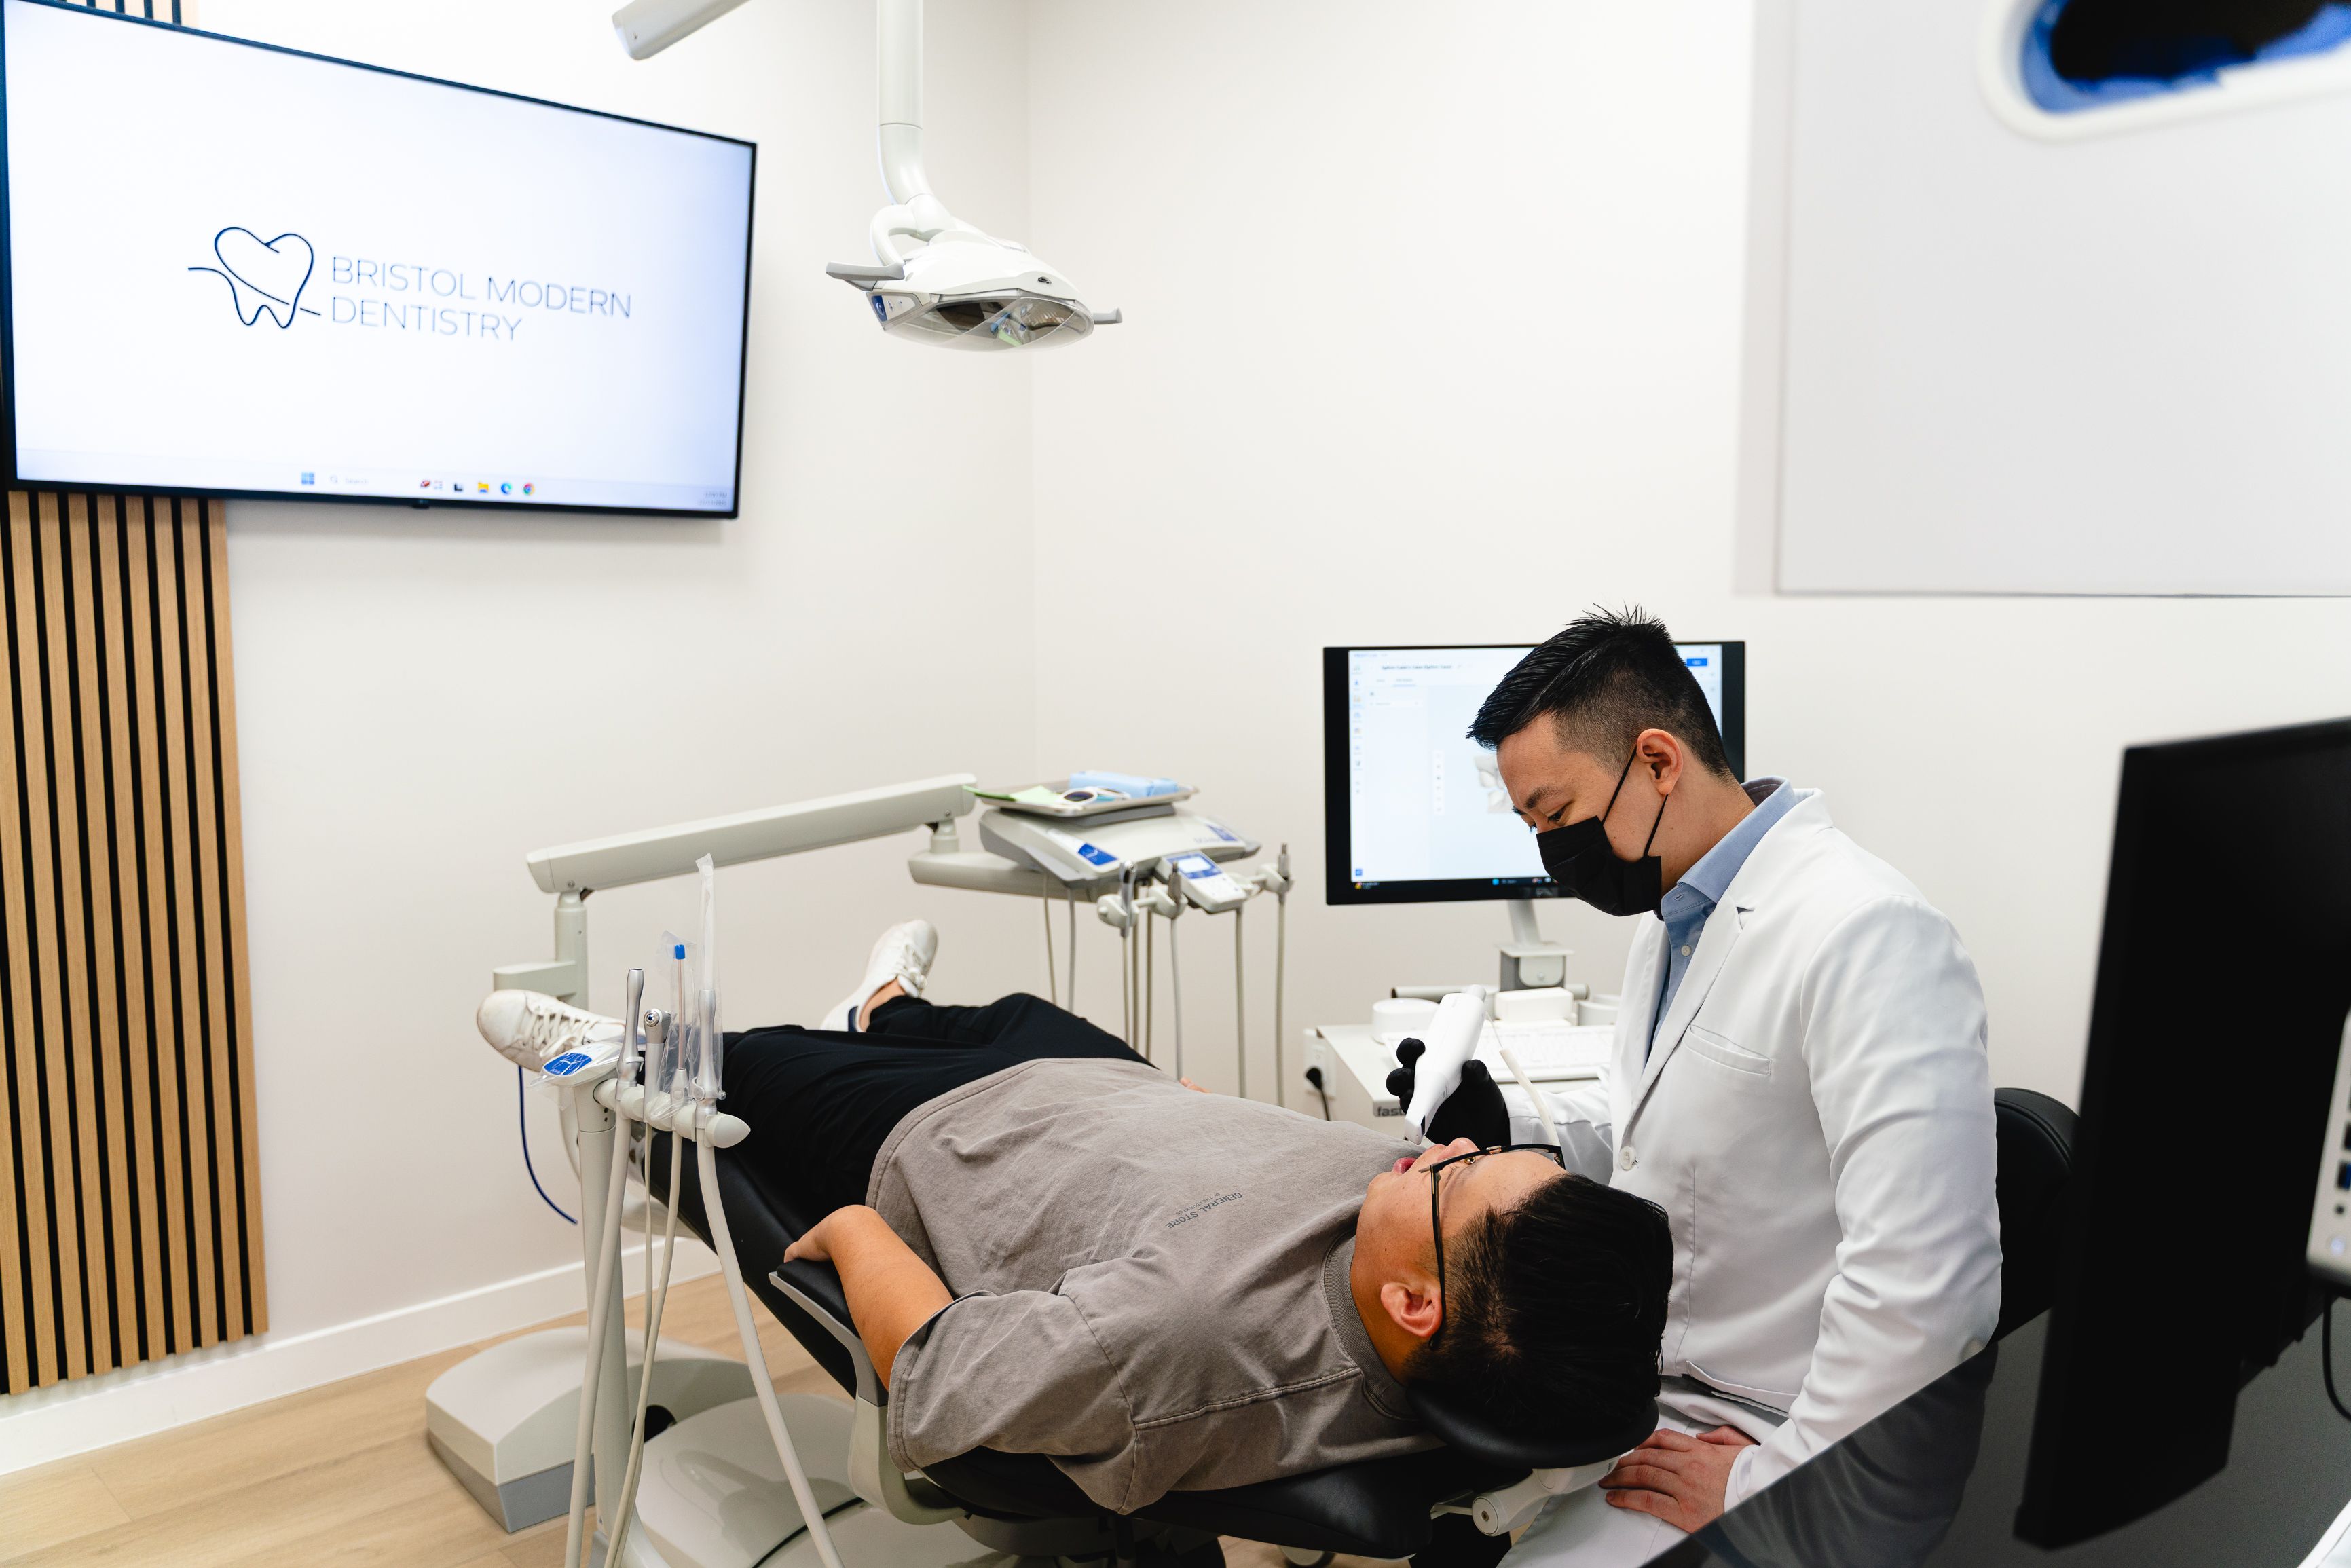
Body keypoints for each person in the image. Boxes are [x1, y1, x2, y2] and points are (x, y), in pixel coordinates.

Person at [477, 923, 1673, 1515]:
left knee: (750, 1057)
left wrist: (848, 1225)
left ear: (1415, 1305)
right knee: (1004, 1007)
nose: (1450, 1152)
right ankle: (882, 1004)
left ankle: (612, 1046)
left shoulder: (1188, 1344)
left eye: (1460, 1177)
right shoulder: (1429, 1271)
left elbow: (942, 1379)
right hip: (1109, 1095)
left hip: (945, 1136)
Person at [1447, 608, 2000, 1561]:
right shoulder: (1675, 915)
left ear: (1659, 760)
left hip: (1779, 1440)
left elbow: (1927, 1289)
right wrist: (1523, 1133)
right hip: (1665, 1407)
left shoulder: (1866, 930)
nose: (1550, 849)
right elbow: (1671, 1128)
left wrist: (1771, 1484)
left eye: (1557, 814)